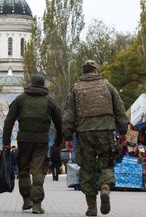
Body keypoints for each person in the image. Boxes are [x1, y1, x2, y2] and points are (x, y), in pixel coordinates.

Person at [63, 60, 128, 216]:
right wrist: (123, 131)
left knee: (87, 168)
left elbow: (68, 114)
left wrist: (68, 136)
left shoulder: (76, 89)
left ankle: (91, 207)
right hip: (106, 131)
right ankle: (105, 187)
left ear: (83, 72)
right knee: (106, 163)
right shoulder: (108, 86)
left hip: (84, 133)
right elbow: (119, 109)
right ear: (96, 71)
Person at [3, 74, 62, 214]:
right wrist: (59, 142)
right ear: (43, 85)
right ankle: (36, 204)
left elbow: (9, 121)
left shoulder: (21, 99)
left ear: (31, 83)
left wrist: (6, 142)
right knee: (38, 172)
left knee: (23, 170)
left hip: (23, 141)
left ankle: (26, 200)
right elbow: (59, 123)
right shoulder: (50, 101)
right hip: (41, 141)